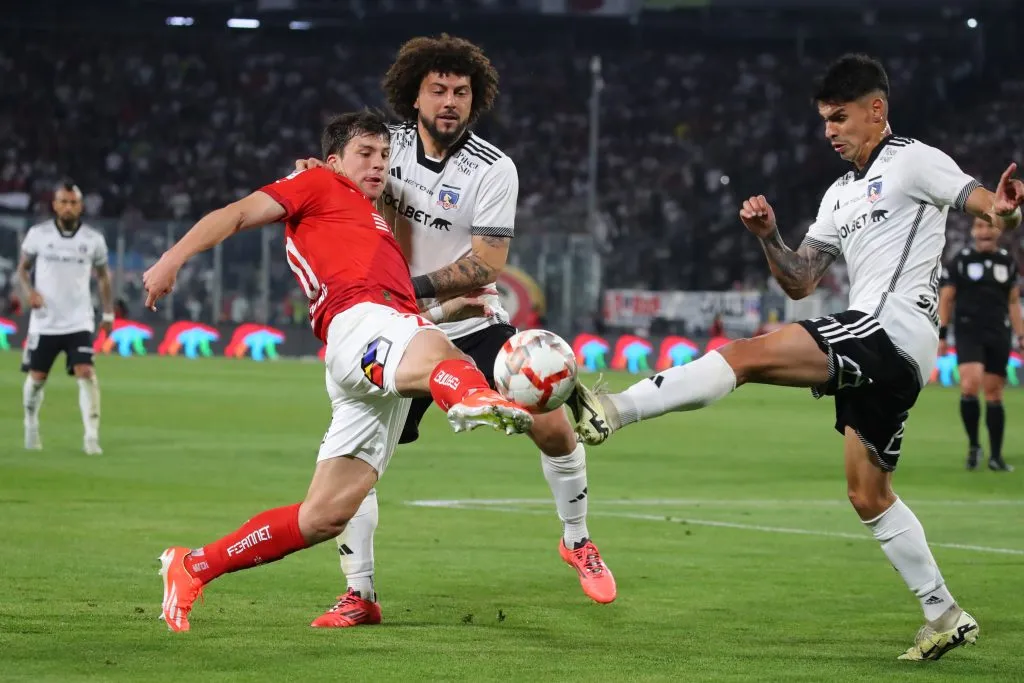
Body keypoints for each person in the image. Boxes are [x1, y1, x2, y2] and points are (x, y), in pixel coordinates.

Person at [567, 54, 1024, 661]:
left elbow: (981, 202)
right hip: (885, 352)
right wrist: (768, 239)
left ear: (876, 110)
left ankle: (615, 408)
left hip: (892, 328)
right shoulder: (838, 194)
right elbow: (802, 279)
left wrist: (1005, 207)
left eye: (840, 118)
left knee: (746, 354)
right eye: (824, 121)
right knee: (868, 494)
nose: (830, 131)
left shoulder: (913, 159)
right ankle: (942, 612)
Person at [144, 110, 534, 633]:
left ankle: (192, 565)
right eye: (365, 155)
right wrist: (172, 258)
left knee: (323, 516)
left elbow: (391, 296)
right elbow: (236, 215)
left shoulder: (372, 220)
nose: (378, 165)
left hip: (370, 343)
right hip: (359, 324)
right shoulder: (317, 182)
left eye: (383, 156)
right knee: (444, 358)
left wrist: (448, 309)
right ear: (334, 160)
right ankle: (473, 399)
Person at [297, 35, 614, 629]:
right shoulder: (383, 152)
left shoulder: (494, 168)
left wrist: (405, 289)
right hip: (397, 329)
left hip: (470, 322)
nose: (450, 101)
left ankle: (577, 539)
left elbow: (487, 265)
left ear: (476, 100)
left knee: (548, 418)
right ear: (413, 95)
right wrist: (320, 172)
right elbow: (336, 183)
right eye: (438, 90)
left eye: (461, 92)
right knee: (357, 465)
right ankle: (359, 595)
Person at [18, 179, 114, 455]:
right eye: (63, 202)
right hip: (45, 320)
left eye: (73, 202)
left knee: (86, 372)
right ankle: (31, 423)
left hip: (79, 320)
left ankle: (91, 436)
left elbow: (103, 277)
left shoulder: (93, 240)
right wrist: (29, 292)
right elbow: (22, 270)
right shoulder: (39, 234)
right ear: (55, 205)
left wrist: (107, 312)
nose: (68, 207)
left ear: (81, 206)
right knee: (37, 378)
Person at [938, 217, 1022, 472]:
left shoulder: (1007, 261)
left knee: (995, 393)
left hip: (998, 332)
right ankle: (974, 446)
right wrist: (942, 333)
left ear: (998, 230)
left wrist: (1021, 335)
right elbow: (947, 298)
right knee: (969, 384)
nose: (985, 231)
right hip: (968, 332)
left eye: (990, 226)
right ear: (974, 230)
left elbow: (1012, 302)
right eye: (980, 226)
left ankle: (996, 456)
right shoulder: (960, 260)